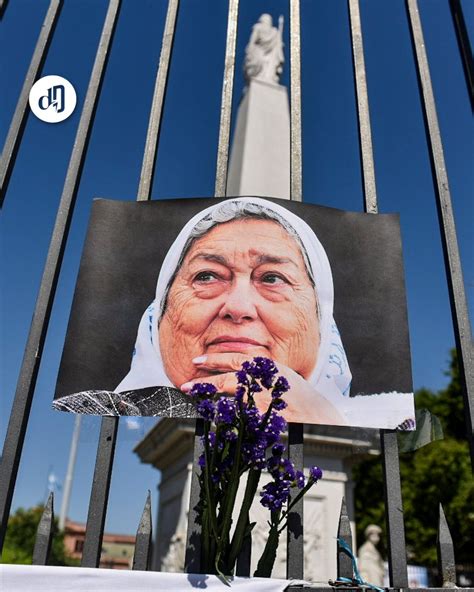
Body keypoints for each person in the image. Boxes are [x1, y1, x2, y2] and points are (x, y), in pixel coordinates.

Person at [115, 197, 352, 425]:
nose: (238, 308)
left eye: (272, 278)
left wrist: (321, 421)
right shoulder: (98, 419)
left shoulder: (381, 434)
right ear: (159, 316)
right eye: (206, 276)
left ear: (321, 325)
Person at [244, 14, 284, 84]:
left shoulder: (274, 31)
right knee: (259, 65)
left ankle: (269, 78)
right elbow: (253, 40)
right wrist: (250, 49)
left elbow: (278, 44)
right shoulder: (259, 27)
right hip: (259, 51)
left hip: (269, 55)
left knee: (269, 66)